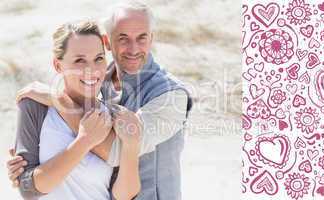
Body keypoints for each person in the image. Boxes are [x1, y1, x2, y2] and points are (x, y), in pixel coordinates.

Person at [7, 1, 192, 200]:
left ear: (151, 39)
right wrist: (25, 173)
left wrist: (60, 100)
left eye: (142, 38)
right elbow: (27, 185)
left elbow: (117, 152)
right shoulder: (98, 85)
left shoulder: (171, 95)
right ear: (108, 41)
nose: (133, 48)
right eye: (123, 38)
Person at [10, 20, 141, 200]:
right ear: (58, 65)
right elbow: (27, 188)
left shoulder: (114, 116)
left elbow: (124, 196)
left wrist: (132, 145)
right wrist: (84, 142)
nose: (92, 70)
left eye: (99, 59)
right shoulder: (36, 106)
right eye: (80, 60)